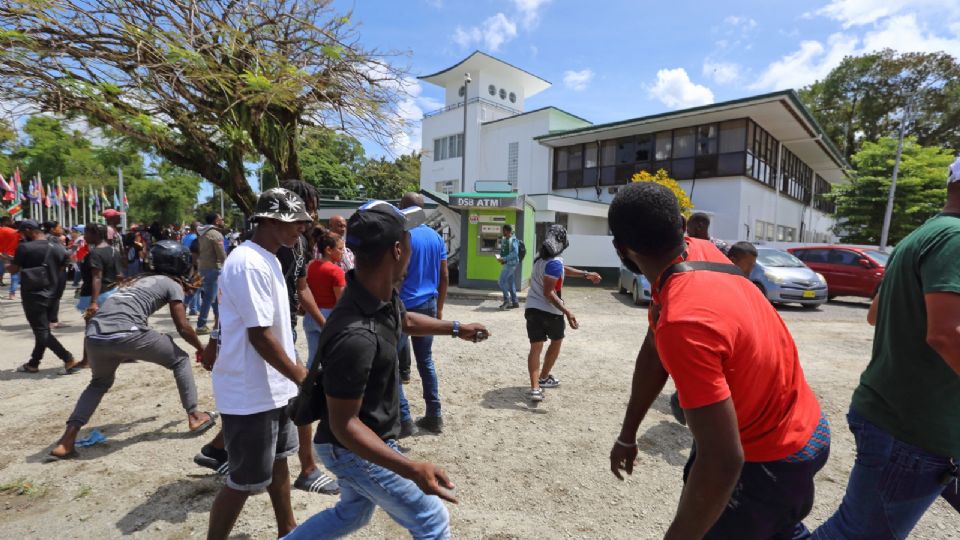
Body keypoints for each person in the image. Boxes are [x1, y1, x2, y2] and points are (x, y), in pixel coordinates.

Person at [607, 183, 828, 539]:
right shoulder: (700, 252)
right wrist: (628, 434)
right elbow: (653, 352)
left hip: (771, 454)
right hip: (803, 426)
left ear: (620, 248)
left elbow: (723, 461)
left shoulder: (683, 322)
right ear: (681, 225)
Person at [282, 200, 490, 540]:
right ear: (397, 250)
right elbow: (344, 425)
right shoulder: (356, 335)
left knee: (352, 513)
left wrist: (455, 327)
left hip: (357, 440)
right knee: (431, 518)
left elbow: (404, 320)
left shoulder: (376, 294)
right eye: (408, 239)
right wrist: (411, 469)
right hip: (350, 448)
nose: (411, 246)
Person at [813, 158, 960, 539]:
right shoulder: (956, 238)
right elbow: (946, 333)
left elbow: (875, 314)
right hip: (913, 428)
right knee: (856, 534)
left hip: (900, 415)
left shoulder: (920, 236)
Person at [205, 188, 315, 540]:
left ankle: (288, 529)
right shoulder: (248, 262)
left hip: (274, 386)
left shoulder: (270, 257)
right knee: (244, 480)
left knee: (280, 460)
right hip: (250, 391)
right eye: (293, 221)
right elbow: (260, 336)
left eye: (302, 221)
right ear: (266, 221)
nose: (300, 227)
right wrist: (303, 377)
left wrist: (296, 369)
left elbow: (279, 332)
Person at [48, 240, 217, 459]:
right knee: (180, 359)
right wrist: (201, 348)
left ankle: (66, 441)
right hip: (128, 334)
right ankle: (195, 415)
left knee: (98, 383)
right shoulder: (171, 284)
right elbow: (183, 326)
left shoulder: (135, 280)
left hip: (95, 336)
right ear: (180, 263)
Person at [523, 224, 601, 402]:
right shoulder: (554, 262)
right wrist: (567, 311)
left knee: (535, 348)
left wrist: (585, 274)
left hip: (532, 309)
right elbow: (549, 293)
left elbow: (562, 269)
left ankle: (535, 388)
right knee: (556, 342)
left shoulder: (540, 259)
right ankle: (543, 378)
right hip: (551, 312)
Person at [396, 192, 449, 435]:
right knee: (425, 361)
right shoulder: (436, 237)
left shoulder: (401, 236)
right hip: (428, 304)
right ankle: (434, 415)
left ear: (402, 208)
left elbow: (398, 272)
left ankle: (404, 419)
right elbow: (445, 275)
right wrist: (439, 308)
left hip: (402, 307)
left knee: (392, 363)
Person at [7, 219, 78, 374]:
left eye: (22, 232)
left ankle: (68, 359)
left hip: (33, 294)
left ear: (28, 230)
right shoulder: (57, 245)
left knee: (41, 331)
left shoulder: (24, 248)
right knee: (43, 330)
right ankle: (33, 363)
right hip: (52, 293)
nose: (21, 236)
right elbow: (66, 262)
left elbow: (13, 269)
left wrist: (6, 263)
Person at [304, 230, 346, 364]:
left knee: (313, 359)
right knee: (334, 358)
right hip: (329, 316)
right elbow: (341, 302)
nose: (343, 252)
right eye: (340, 249)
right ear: (328, 249)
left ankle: (309, 383)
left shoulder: (311, 266)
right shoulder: (336, 271)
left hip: (311, 314)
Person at [75, 223, 121, 321]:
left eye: (86, 233)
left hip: (95, 296)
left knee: (92, 326)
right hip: (111, 293)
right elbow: (119, 275)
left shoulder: (94, 253)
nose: (84, 236)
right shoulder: (114, 251)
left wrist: (94, 302)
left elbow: (97, 277)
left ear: (95, 234)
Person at [196, 213, 226, 334]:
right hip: (213, 268)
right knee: (210, 297)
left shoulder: (202, 233)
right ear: (216, 221)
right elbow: (221, 254)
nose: (222, 220)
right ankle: (201, 325)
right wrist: (228, 265)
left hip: (203, 267)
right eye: (220, 219)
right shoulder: (216, 234)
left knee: (214, 297)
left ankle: (218, 323)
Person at [42, 221, 69, 329]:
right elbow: (63, 255)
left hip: (53, 271)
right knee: (54, 296)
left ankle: (52, 319)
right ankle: (52, 320)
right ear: (52, 229)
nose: (61, 229)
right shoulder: (51, 239)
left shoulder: (49, 238)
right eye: (59, 227)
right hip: (55, 271)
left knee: (54, 296)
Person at [497, 223, 520, 310]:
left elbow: (515, 253)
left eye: (504, 231)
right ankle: (515, 302)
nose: (503, 232)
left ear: (508, 231)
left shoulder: (513, 240)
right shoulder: (506, 239)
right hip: (508, 263)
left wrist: (505, 259)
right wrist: (502, 259)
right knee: (511, 283)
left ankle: (507, 300)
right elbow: (506, 251)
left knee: (501, 282)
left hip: (511, 264)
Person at [181, 222, 200, 316]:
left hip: (187, 263)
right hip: (194, 264)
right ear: (196, 228)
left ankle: (193, 307)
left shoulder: (185, 237)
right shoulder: (195, 238)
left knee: (192, 285)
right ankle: (193, 308)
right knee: (195, 286)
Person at [0, 215, 20, 298]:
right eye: (11, 220)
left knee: (0, 272)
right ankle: (12, 293)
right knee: (14, 274)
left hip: (1, 255)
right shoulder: (15, 232)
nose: (12, 222)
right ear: (6, 222)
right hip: (12, 255)